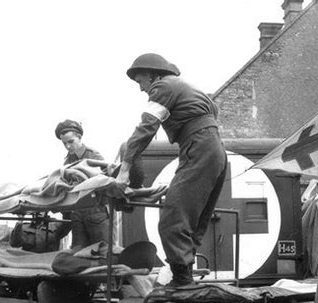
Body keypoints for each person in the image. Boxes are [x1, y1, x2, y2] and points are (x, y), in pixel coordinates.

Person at [116, 53, 228, 288]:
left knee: (172, 218)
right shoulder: (189, 89)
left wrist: (125, 168)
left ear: (153, 75)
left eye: (141, 82)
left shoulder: (163, 86)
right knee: (192, 220)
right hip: (213, 149)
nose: (142, 89)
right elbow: (212, 114)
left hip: (198, 148)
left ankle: (182, 281)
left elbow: (146, 126)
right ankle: (183, 275)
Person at [55, 119, 110, 248]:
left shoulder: (93, 156)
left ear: (79, 138)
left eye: (70, 142)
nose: (68, 146)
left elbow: (105, 180)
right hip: (77, 213)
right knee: (79, 253)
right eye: (64, 143)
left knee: (102, 251)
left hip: (96, 211)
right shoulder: (68, 160)